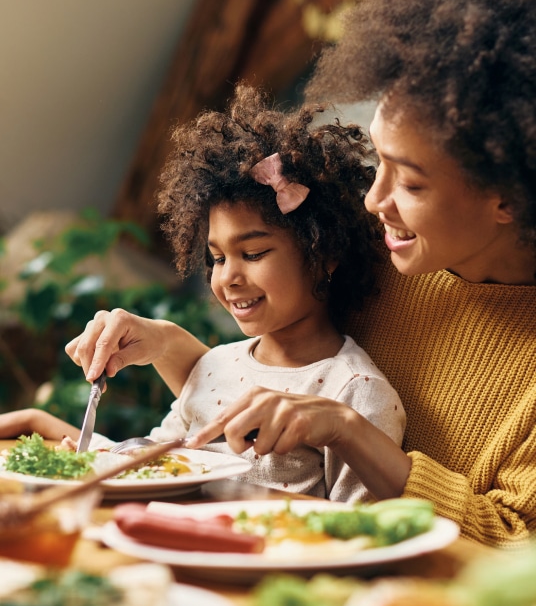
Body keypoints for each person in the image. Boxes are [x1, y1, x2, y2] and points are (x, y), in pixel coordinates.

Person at [63, 0, 536, 547]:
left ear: (509, 195)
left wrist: (350, 432)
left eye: (412, 184)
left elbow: (515, 546)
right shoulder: (382, 251)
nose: (374, 201)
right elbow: (278, 393)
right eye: (380, 162)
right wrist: (168, 346)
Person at [1, 84, 405, 502]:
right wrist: (62, 439)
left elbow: (358, 531)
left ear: (325, 253)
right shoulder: (214, 365)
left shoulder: (353, 390)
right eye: (216, 258)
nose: (228, 277)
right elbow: (154, 465)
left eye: (253, 253)